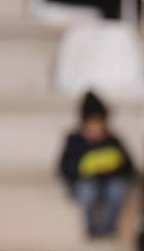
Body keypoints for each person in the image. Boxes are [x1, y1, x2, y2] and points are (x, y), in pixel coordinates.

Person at [58, 91, 135, 239]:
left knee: (117, 191)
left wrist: (113, 165)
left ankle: (109, 230)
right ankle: (92, 230)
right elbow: (64, 167)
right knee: (88, 192)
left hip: (110, 183)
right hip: (86, 182)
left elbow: (129, 168)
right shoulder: (74, 141)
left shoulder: (113, 140)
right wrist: (84, 168)